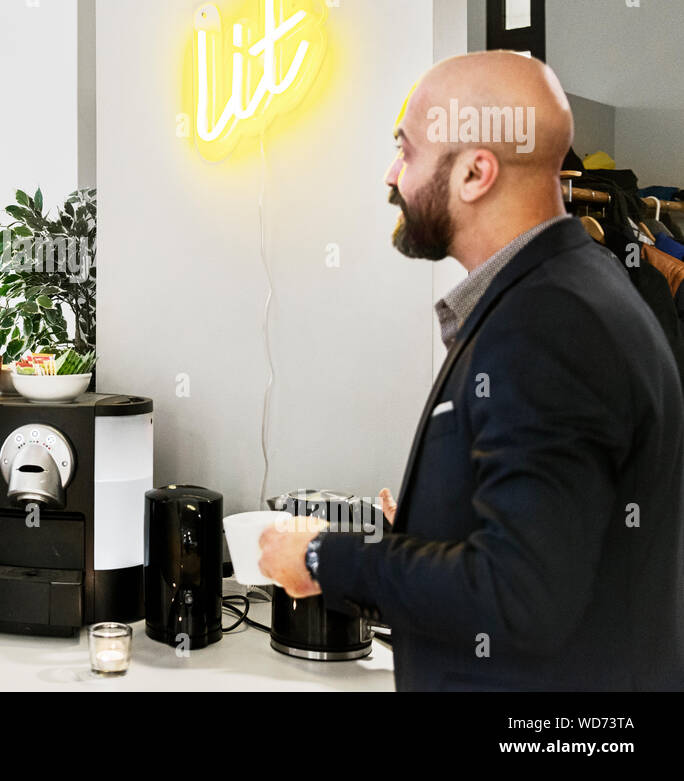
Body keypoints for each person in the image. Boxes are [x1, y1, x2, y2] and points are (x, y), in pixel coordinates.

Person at [259, 51, 684, 690]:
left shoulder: (550, 323)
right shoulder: (569, 292)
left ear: (475, 173)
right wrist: (437, 524)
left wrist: (326, 557)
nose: (391, 175)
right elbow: (553, 545)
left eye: (406, 150)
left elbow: (520, 598)